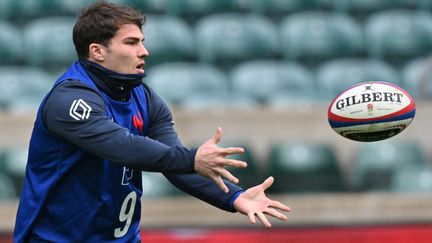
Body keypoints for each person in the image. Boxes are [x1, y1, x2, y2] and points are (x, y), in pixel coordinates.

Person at [14, 1, 290, 242]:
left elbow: (173, 163)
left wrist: (234, 196)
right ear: (97, 51)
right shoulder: (70, 101)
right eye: (131, 42)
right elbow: (122, 146)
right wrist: (192, 158)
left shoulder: (144, 97)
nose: (144, 51)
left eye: (142, 41)